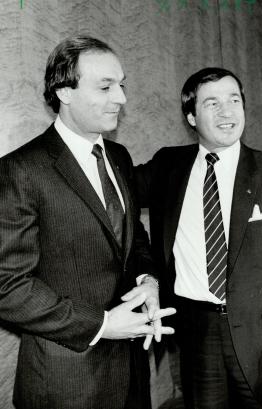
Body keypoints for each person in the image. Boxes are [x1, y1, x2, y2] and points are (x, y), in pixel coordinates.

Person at [0, 35, 175, 409]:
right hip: (67, 382)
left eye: (121, 85)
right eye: (105, 87)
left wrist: (149, 281)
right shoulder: (21, 170)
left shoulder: (119, 156)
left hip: (132, 374)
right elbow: (8, 287)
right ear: (64, 92)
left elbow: (134, 241)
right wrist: (101, 325)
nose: (122, 98)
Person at [135, 67, 262, 409]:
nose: (227, 112)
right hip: (195, 336)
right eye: (212, 103)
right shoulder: (168, 165)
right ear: (191, 116)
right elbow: (115, 194)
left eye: (234, 100)